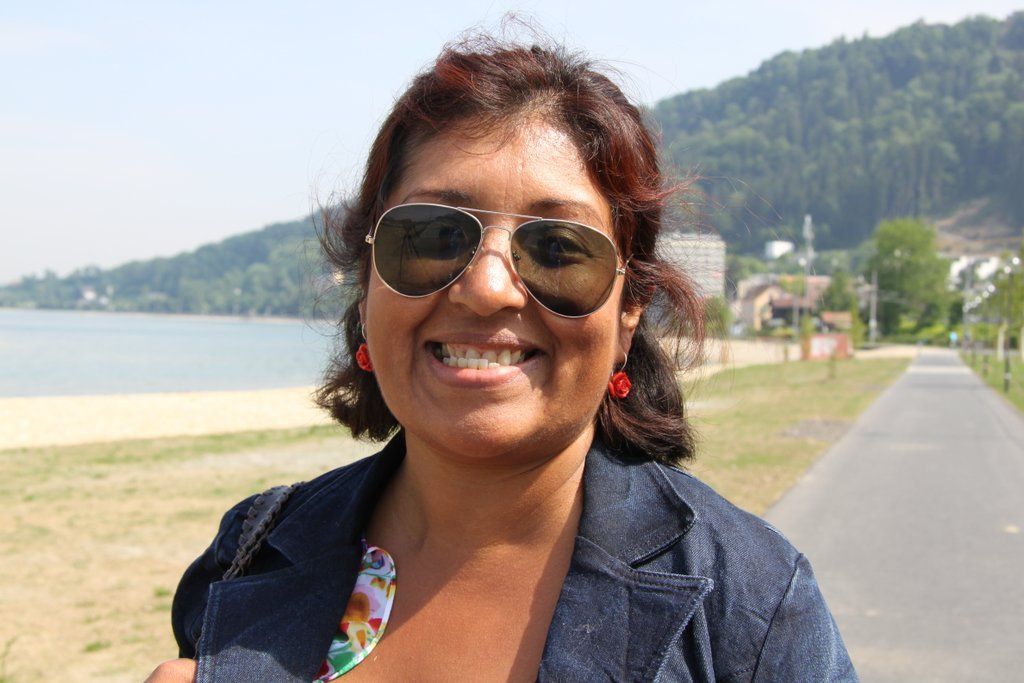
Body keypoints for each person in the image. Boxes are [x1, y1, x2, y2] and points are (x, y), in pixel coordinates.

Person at [150, 36, 856, 682]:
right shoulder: (251, 550)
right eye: (432, 236)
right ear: (367, 285)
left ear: (629, 310)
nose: (487, 288)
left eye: (558, 249)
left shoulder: (752, 609)